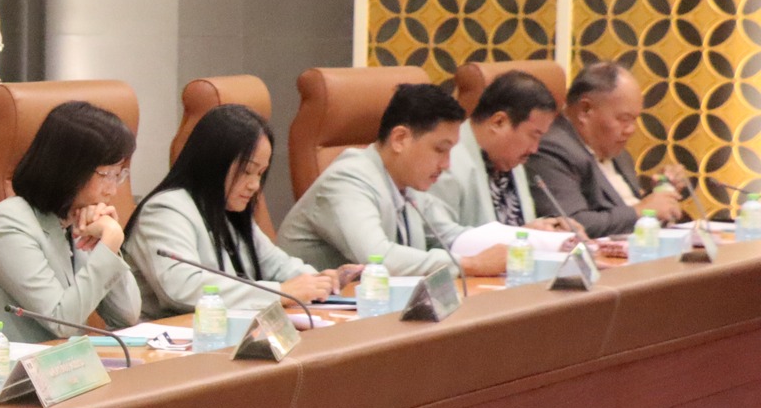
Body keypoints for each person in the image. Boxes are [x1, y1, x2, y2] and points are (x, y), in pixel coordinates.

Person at [124, 104, 348, 319]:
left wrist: (319, 281)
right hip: (169, 337)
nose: (255, 185)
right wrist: (280, 292)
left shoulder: (227, 211)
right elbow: (182, 287)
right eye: (247, 171)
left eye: (260, 173)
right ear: (214, 163)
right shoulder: (164, 210)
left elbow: (277, 265)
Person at [0, 100, 142, 357]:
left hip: (61, 368)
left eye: (119, 175)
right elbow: (61, 322)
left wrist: (107, 246)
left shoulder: (79, 220)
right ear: (70, 169)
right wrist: (110, 243)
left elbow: (127, 314)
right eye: (107, 175)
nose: (113, 190)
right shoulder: (8, 224)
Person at [277, 82, 507, 276]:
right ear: (400, 139)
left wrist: (516, 244)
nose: (446, 165)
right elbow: (378, 257)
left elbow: (449, 236)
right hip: (313, 311)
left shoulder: (408, 183)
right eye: (440, 149)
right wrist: (470, 264)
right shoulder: (347, 180)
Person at [525, 60, 687, 237]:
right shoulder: (552, 149)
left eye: (634, 120)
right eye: (624, 119)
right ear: (585, 110)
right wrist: (642, 211)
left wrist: (661, 193)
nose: (631, 130)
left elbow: (622, 207)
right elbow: (571, 224)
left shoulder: (617, 152)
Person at [431, 69, 575, 233]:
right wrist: (518, 236)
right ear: (499, 122)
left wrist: (550, 229)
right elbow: (440, 238)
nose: (534, 149)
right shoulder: (446, 162)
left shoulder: (506, 158)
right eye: (533, 135)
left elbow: (521, 227)